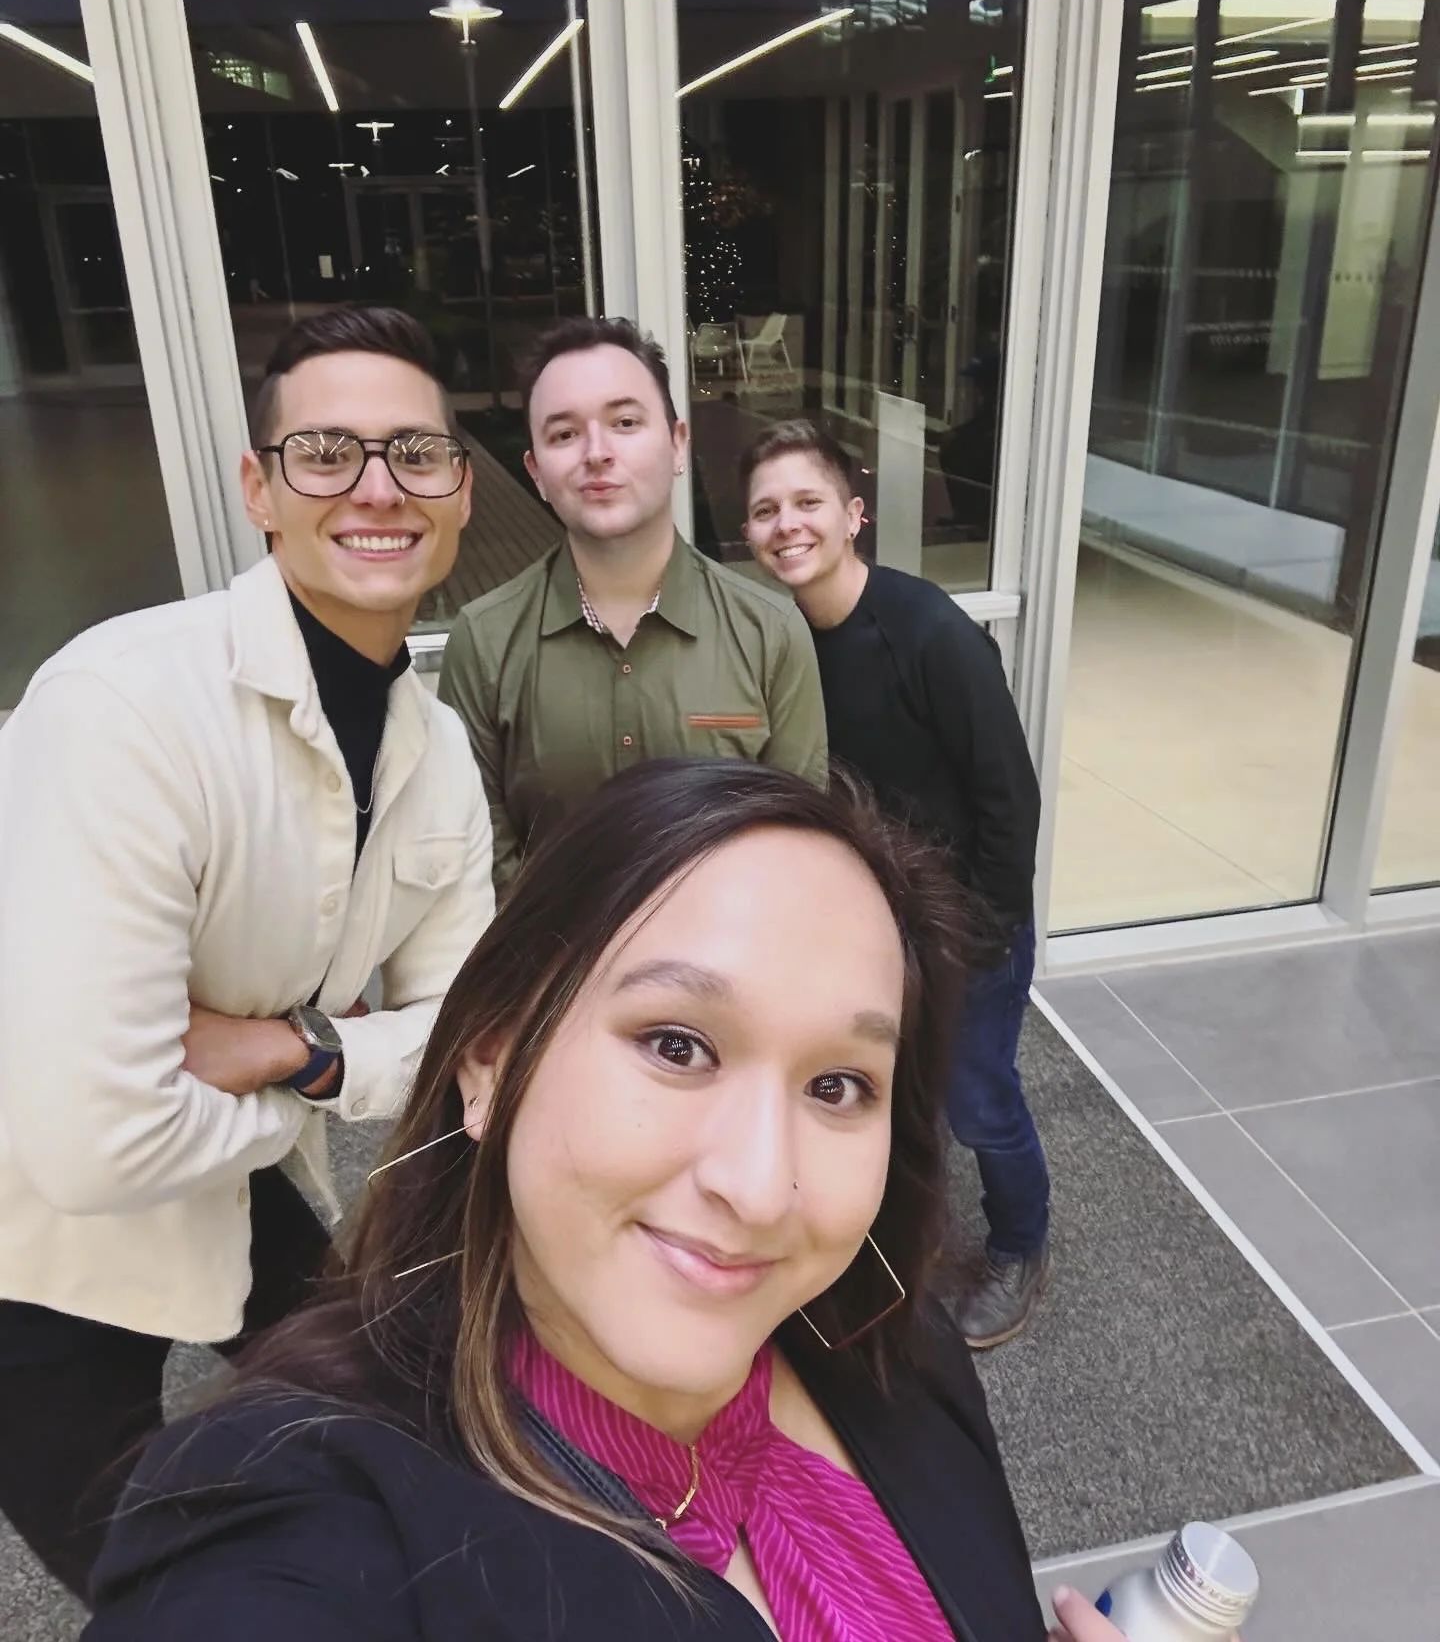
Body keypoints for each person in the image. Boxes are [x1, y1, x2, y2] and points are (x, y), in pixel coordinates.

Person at [81, 760, 1126, 1642]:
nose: (760, 1187)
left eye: (838, 1086)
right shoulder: (304, 1515)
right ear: (491, 1060)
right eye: (677, 1046)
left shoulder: (896, 1344)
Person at [0, 305, 495, 1600]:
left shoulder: (437, 754)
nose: (377, 489)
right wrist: (304, 1095)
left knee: (406, 1423)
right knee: (167, 1587)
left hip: (222, 1158)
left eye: (416, 454)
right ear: (259, 491)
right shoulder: (122, 707)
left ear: (459, 492)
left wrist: (294, 1048)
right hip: (27, 1235)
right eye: (326, 453)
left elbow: (475, 1034)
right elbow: (94, 1146)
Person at [741, 420, 1049, 1349]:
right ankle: (897, 1238)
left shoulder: (931, 634)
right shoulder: (777, 639)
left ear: (853, 515)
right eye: (765, 510)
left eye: (807, 502)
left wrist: (984, 934)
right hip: (864, 924)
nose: (787, 525)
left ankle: (1019, 1244)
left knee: (976, 1099)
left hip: (967, 925)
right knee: (884, 1092)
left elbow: (1009, 796)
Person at [438, 316, 827, 892]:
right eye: (564, 434)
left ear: (677, 443)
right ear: (536, 472)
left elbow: (798, 845)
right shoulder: (484, 642)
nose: (597, 453)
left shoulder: (770, 632)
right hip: (549, 949)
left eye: (624, 423)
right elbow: (478, 857)